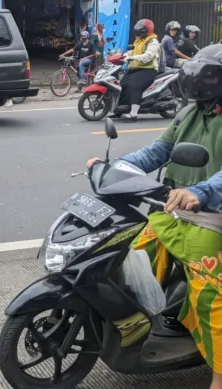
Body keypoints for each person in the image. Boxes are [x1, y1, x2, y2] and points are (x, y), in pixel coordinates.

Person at [87, 44, 222, 389]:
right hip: (175, 211)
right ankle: (139, 326)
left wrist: (200, 192)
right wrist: (116, 168)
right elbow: (157, 151)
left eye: (209, 76)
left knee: (211, 300)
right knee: (127, 255)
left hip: (213, 219)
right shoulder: (191, 113)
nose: (200, 83)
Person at [117, 19, 160, 121]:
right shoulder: (139, 40)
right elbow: (134, 51)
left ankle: (133, 113)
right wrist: (124, 55)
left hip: (148, 70)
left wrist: (132, 58)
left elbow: (148, 56)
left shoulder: (153, 41)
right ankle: (122, 109)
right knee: (122, 84)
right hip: (136, 68)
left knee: (135, 86)